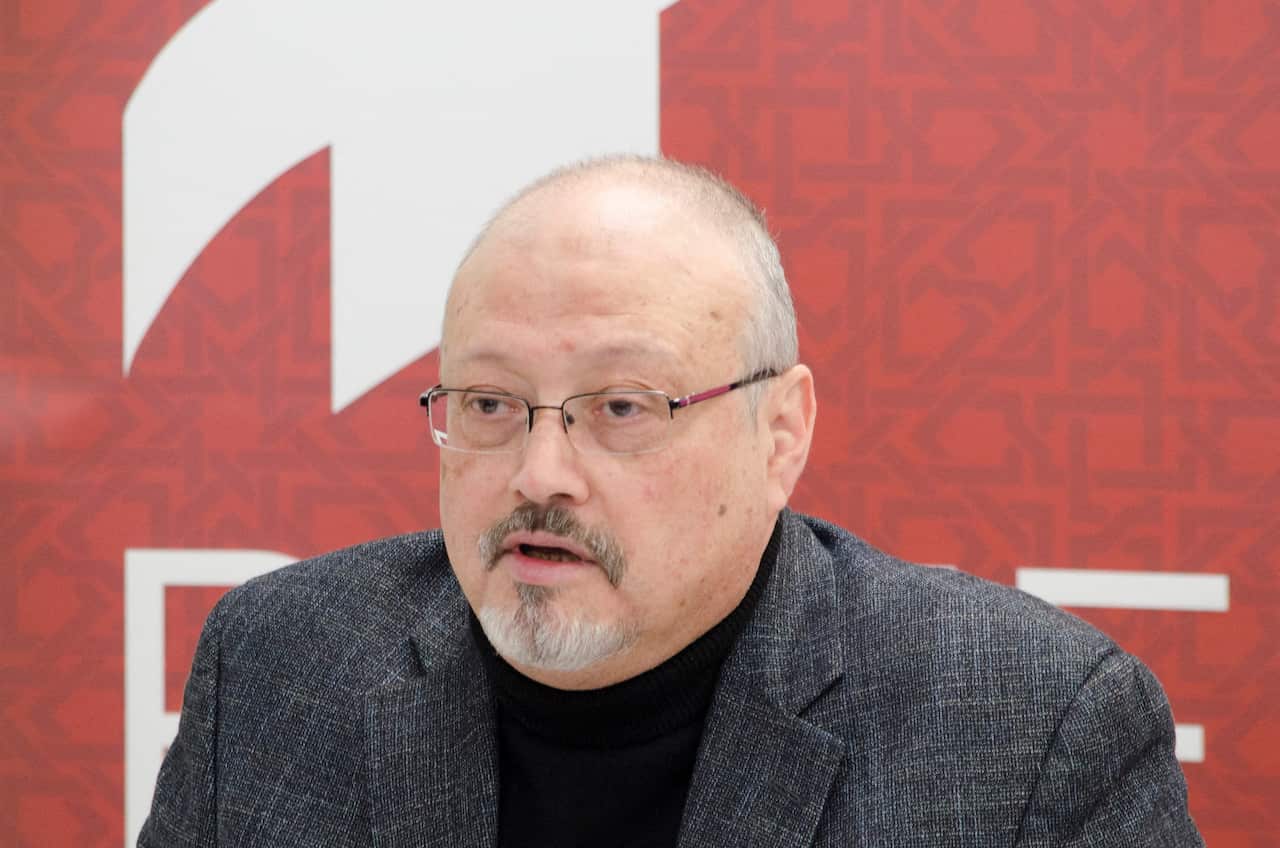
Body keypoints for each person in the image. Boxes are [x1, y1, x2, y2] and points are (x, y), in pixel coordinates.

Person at [140, 155, 1204, 847]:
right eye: (490, 404)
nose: (539, 473)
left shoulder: (1031, 733)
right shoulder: (278, 666)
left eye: (620, 407)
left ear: (779, 434)